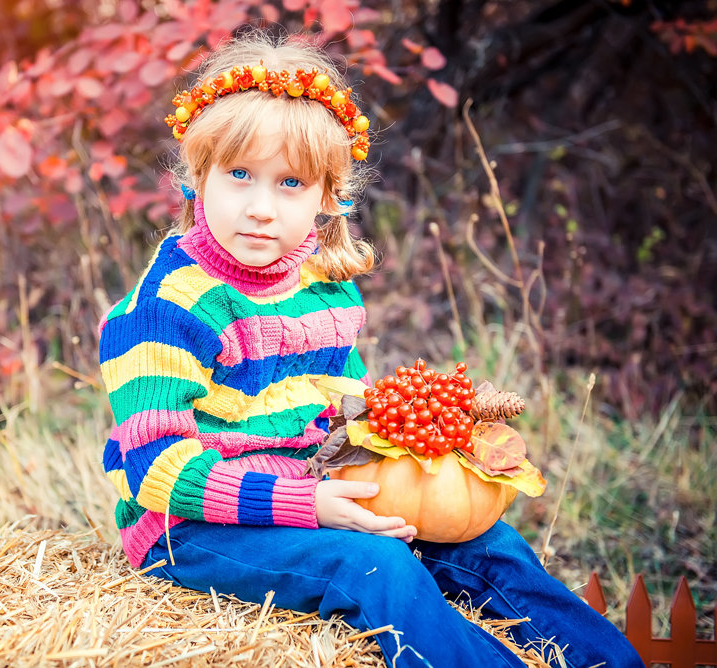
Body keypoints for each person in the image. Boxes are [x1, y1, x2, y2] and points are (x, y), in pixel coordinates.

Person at [98, 30, 644, 668]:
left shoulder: (324, 289)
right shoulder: (166, 308)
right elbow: (157, 472)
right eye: (239, 175)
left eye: (290, 184)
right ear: (198, 178)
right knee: (376, 566)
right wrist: (311, 506)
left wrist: (413, 448)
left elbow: (346, 404)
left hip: (315, 486)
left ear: (329, 199)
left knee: (486, 542)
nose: (260, 208)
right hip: (192, 528)